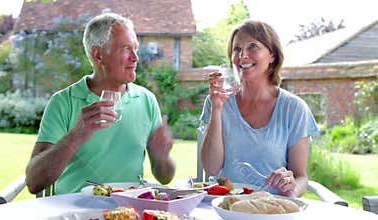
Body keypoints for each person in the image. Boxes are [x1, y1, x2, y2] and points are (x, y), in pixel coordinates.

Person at [25, 13, 175, 195]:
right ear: (98, 55)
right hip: (74, 212)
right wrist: (76, 135)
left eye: (135, 49)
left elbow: (164, 177)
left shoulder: (146, 100)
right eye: (126, 48)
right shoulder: (63, 102)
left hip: (127, 212)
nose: (135, 57)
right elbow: (34, 183)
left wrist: (162, 157)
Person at [199, 20, 318, 197]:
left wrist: (290, 190)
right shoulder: (217, 102)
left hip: (272, 208)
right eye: (237, 49)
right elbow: (211, 167)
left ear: (272, 55)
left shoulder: (294, 109)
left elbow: (300, 177)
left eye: (253, 46)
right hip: (228, 207)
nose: (242, 55)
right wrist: (217, 109)